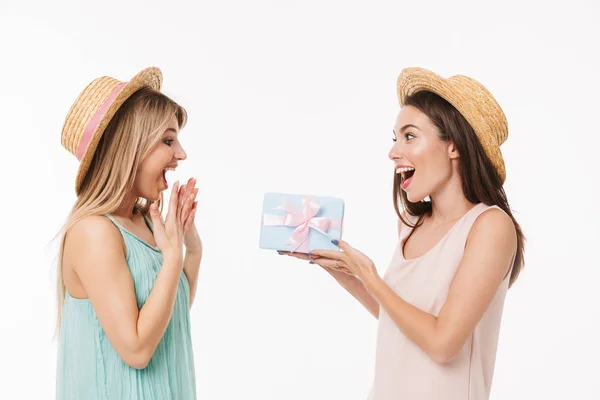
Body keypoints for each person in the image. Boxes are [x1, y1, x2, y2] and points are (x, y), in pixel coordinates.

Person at [283, 67, 525, 399]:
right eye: (395, 138)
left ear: (453, 145)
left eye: (409, 136)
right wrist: (343, 271)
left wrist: (371, 276)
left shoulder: (491, 226)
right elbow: (400, 321)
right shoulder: (410, 226)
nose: (394, 152)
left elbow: (443, 344)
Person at [55, 67, 201, 399]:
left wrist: (189, 247)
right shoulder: (94, 232)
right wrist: (173, 257)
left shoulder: (147, 224)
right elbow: (137, 350)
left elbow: (170, 318)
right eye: (168, 140)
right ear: (129, 148)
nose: (181, 154)